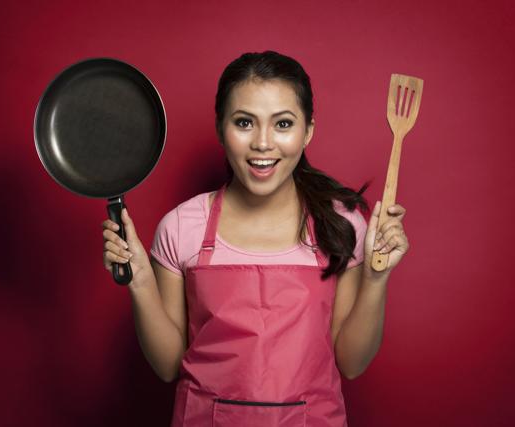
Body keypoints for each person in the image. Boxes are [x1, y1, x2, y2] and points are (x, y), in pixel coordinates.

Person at [101, 50, 409, 427]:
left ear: (308, 130)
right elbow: (168, 366)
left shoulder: (341, 224)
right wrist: (141, 281)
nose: (263, 143)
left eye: (283, 124)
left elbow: (352, 362)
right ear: (220, 128)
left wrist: (377, 279)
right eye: (244, 122)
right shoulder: (182, 227)